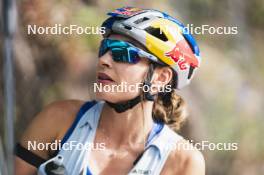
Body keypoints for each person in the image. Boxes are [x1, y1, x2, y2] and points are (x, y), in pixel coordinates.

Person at [15, 7, 205, 175]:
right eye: (104, 48)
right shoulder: (58, 119)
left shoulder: (183, 161)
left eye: (122, 53)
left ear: (161, 78)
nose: (104, 60)